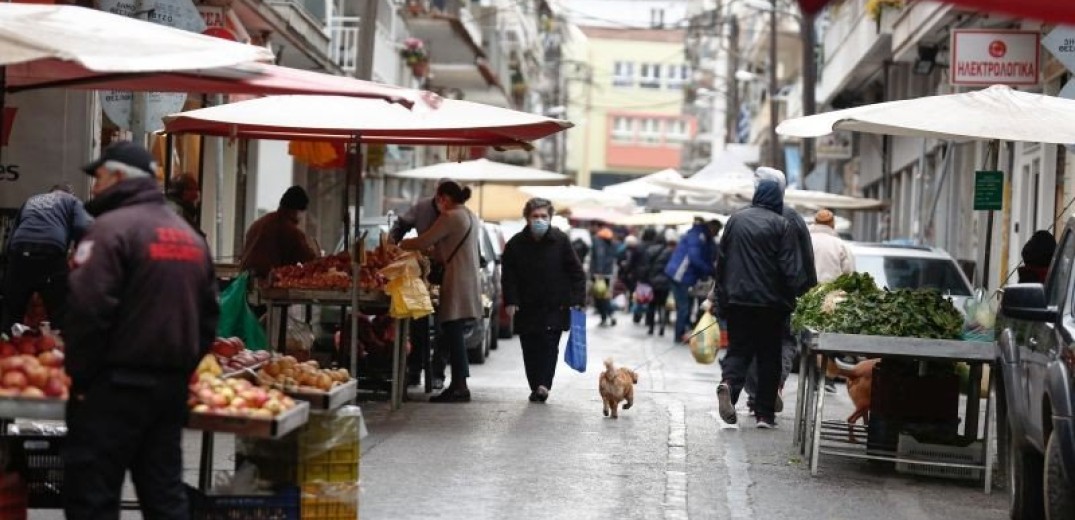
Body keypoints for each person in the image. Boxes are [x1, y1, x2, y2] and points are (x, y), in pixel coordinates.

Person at [63, 141, 219, 519]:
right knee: (164, 495)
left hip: (112, 387)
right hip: (168, 391)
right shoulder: (189, 235)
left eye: (99, 177)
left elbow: (87, 307)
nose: (95, 188)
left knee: (93, 498)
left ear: (119, 176)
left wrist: (81, 379)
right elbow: (208, 315)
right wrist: (181, 373)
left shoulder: (109, 230)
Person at [714, 175, 804, 429]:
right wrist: (794, 297)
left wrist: (721, 297)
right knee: (768, 357)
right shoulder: (782, 225)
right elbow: (790, 268)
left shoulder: (735, 220)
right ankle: (764, 414)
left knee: (738, 350)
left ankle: (729, 387)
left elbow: (721, 261)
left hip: (737, 300)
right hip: (771, 305)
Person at [400, 181, 482, 403]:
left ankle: (459, 386)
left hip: (457, 280)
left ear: (443, 198)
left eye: (438, 199)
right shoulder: (470, 215)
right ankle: (458, 383)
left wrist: (400, 245)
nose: (437, 204)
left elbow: (425, 239)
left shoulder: (450, 216)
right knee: (453, 332)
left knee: (453, 332)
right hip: (468, 279)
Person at [501, 198, 586, 402]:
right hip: (526, 307)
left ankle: (543, 385)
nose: (539, 220)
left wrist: (578, 300)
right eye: (535, 216)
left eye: (543, 217)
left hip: (554, 306)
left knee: (549, 346)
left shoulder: (561, 240)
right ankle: (535, 384)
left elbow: (576, 272)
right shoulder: (515, 244)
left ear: (550, 218)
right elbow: (508, 276)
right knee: (530, 347)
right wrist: (511, 300)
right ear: (527, 218)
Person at [1, 184, 92, 332]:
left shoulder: (32, 200)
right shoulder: (72, 200)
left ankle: (6, 347)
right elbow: (83, 226)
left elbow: (12, 234)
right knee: (60, 312)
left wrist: (10, 265)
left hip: (19, 254)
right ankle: (61, 347)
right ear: (70, 193)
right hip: (50, 254)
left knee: (11, 312)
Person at [388, 178, 452, 389]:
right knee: (418, 323)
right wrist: (391, 246)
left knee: (445, 326)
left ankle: (438, 372)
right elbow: (401, 225)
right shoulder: (422, 207)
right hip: (422, 272)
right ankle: (415, 369)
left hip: (448, 273)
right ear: (436, 195)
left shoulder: (457, 212)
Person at [238, 186, 319, 279]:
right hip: (267, 285)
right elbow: (310, 261)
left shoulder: (260, 223)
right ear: (297, 211)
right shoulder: (291, 231)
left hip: (244, 283)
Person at [664, 219, 720, 342]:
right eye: (716, 231)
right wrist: (710, 270)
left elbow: (708, 254)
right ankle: (679, 336)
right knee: (684, 307)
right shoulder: (698, 236)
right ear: (712, 228)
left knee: (686, 306)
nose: (717, 234)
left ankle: (684, 332)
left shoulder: (704, 237)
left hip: (684, 275)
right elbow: (695, 257)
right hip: (681, 274)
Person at [644, 229, 677, 336]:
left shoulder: (650, 250)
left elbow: (646, 267)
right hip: (664, 281)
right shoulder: (669, 251)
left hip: (652, 281)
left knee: (651, 304)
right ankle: (662, 326)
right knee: (662, 305)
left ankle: (651, 327)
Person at [809, 209, 854, 284]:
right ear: (832, 223)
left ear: (815, 222)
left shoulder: (806, 241)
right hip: (832, 293)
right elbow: (849, 273)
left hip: (806, 292)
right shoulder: (840, 245)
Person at [591, 226, 617, 326]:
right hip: (607, 273)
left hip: (599, 274)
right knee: (604, 296)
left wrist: (598, 272)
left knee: (599, 297)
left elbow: (600, 255)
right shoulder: (611, 242)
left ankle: (605, 316)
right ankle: (609, 315)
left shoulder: (599, 241)